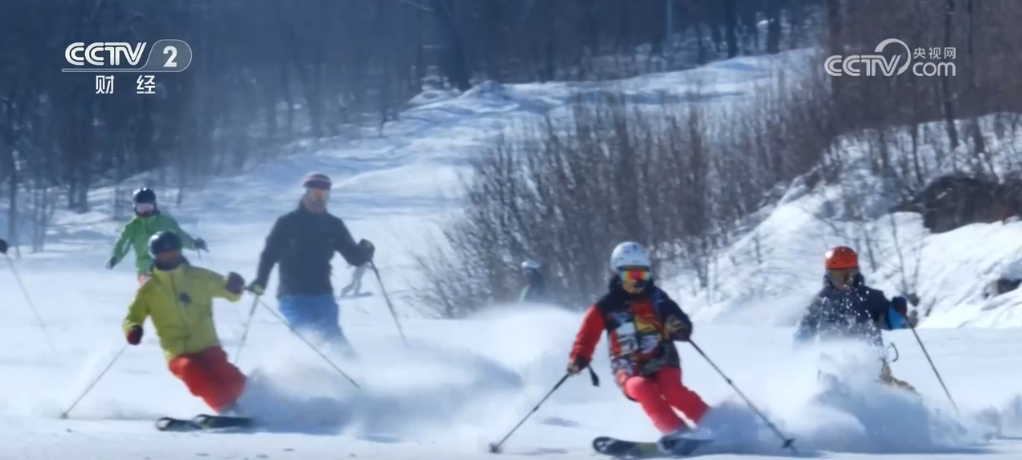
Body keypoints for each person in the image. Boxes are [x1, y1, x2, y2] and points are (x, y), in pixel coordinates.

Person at [568, 241, 711, 454]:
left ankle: (714, 423)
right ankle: (677, 433)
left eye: (642, 275)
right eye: (631, 276)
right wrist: (579, 357)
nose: (637, 282)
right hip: (626, 364)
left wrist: (679, 327)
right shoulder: (605, 306)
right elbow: (587, 334)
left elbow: (679, 319)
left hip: (661, 356)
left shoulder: (657, 298)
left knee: (673, 391)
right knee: (641, 388)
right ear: (617, 273)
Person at [248, 172, 375, 357]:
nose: (318, 200)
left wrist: (365, 252)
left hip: (322, 294)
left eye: (323, 195)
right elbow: (269, 255)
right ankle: (298, 376)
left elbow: (353, 257)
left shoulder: (334, 225)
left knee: (333, 337)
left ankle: (354, 377)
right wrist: (261, 280)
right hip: (292, 294)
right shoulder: (287, 223)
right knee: (308, 336)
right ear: (304, 194)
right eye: (314, 194)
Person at [123, 231, 247, 414]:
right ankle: (225, 408)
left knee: (224, 371)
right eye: (164, 255)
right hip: (176, 350)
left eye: (173, 253)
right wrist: (133, 329)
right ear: (155, 256)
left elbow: (227, 291)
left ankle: (252, 400)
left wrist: (233, 287)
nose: (169, 258)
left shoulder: (198, 277)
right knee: (192, 371)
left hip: (206, 343)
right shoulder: (149, 288)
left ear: (180, 252)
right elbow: (134, 314)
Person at [794, 245, 917, 392]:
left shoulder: (872, 297)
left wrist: (897, 311)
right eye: (837, 276)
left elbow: (892, 323)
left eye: (848, 275)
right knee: (832, 387)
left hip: (873, 366)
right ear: (828, 275)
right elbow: (804, 333)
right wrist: (800, 356)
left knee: (901, 393)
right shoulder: (820, 302)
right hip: (831, 365)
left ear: (856, 273)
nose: (844, 281)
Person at [107, 187, 208, 284]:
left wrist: (194, 244)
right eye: (141, 208)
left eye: (148, 207)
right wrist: (115, 257)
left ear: (154, 206)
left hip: (168, 264)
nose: (145, 212)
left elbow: (180, 237)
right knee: (152, 290)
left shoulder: (165, 222)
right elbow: (123, 244)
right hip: (145, 268)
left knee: (175, 287)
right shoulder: (132, 227)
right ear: (135, 208)